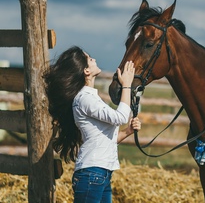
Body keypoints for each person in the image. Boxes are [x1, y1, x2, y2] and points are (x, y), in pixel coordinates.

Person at [43, 46, 141, 203]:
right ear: (86, 71)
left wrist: (127, 131)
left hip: (101, 174)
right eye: (89, 59)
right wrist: (127, 85)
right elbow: (121, 117)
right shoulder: (85, 99)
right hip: (92, 175)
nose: (94, 59)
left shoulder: (90, 98)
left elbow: (104, 140)